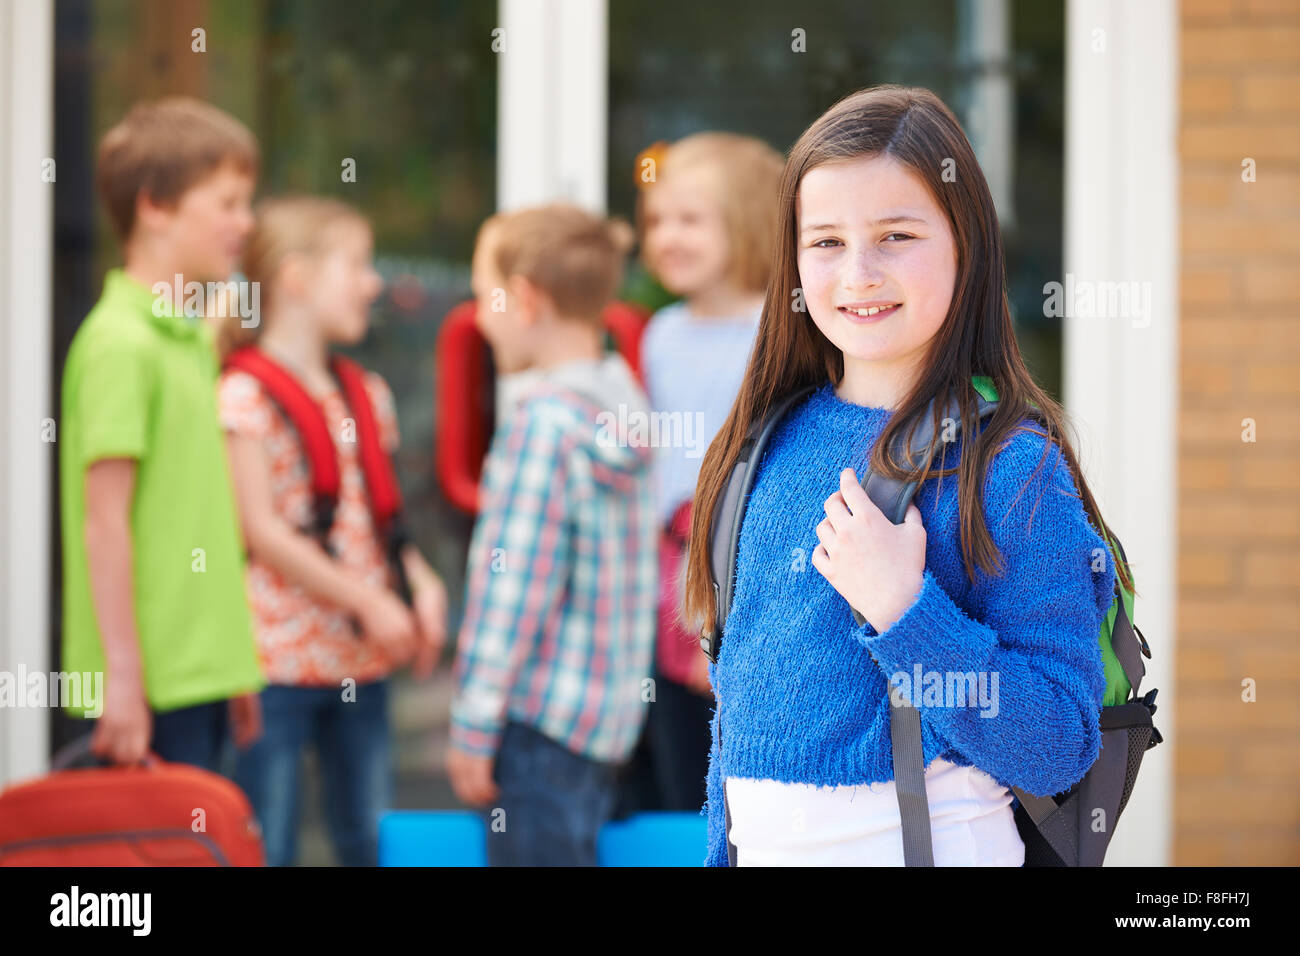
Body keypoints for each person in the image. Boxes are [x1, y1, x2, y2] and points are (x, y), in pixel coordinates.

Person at [680, 85, 1135, 866]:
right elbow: (738, 741)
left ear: (967, 244)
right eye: (825, 242)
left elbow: (1058, 744)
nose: (859, 272)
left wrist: (904, 609)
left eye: (896, 235)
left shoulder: (1012, 469)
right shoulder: (762, 445)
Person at [214, 196, 448, 867]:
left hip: (360, 662)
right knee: (271, 842)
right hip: (277, 665)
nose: (374, 284)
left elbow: (382, 520)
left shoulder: (365, 392)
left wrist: (420, 586)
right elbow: (260, 531)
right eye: (358, 265)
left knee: (366, 842)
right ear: (296, 278)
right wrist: (370, 602)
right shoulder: (243, 396)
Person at [448, 203, 658, 866]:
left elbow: (513, 592)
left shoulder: (541, 427)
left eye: (484, 297)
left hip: (536, 731)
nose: (478, 317)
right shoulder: (621, 399)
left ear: (526, 300)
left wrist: (474, 724)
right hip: (602, 726)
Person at [59, 97, 265, 771]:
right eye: (229, 203)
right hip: (147, 684)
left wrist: (231, 662)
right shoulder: (121, 344)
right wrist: (122, 677)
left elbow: (195, 514)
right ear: (155, 206)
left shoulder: (187, 341)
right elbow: (105, 523)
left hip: (199, 675)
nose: (247, 222)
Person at [614, 132, 783, 817]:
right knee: (682, 760)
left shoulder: (780, 331)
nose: (666, 237)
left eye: (689, 219)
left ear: (747, 220)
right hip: (668, 580)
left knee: (749, 763)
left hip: (749, 575)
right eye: (655, 221)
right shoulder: (660, 333)